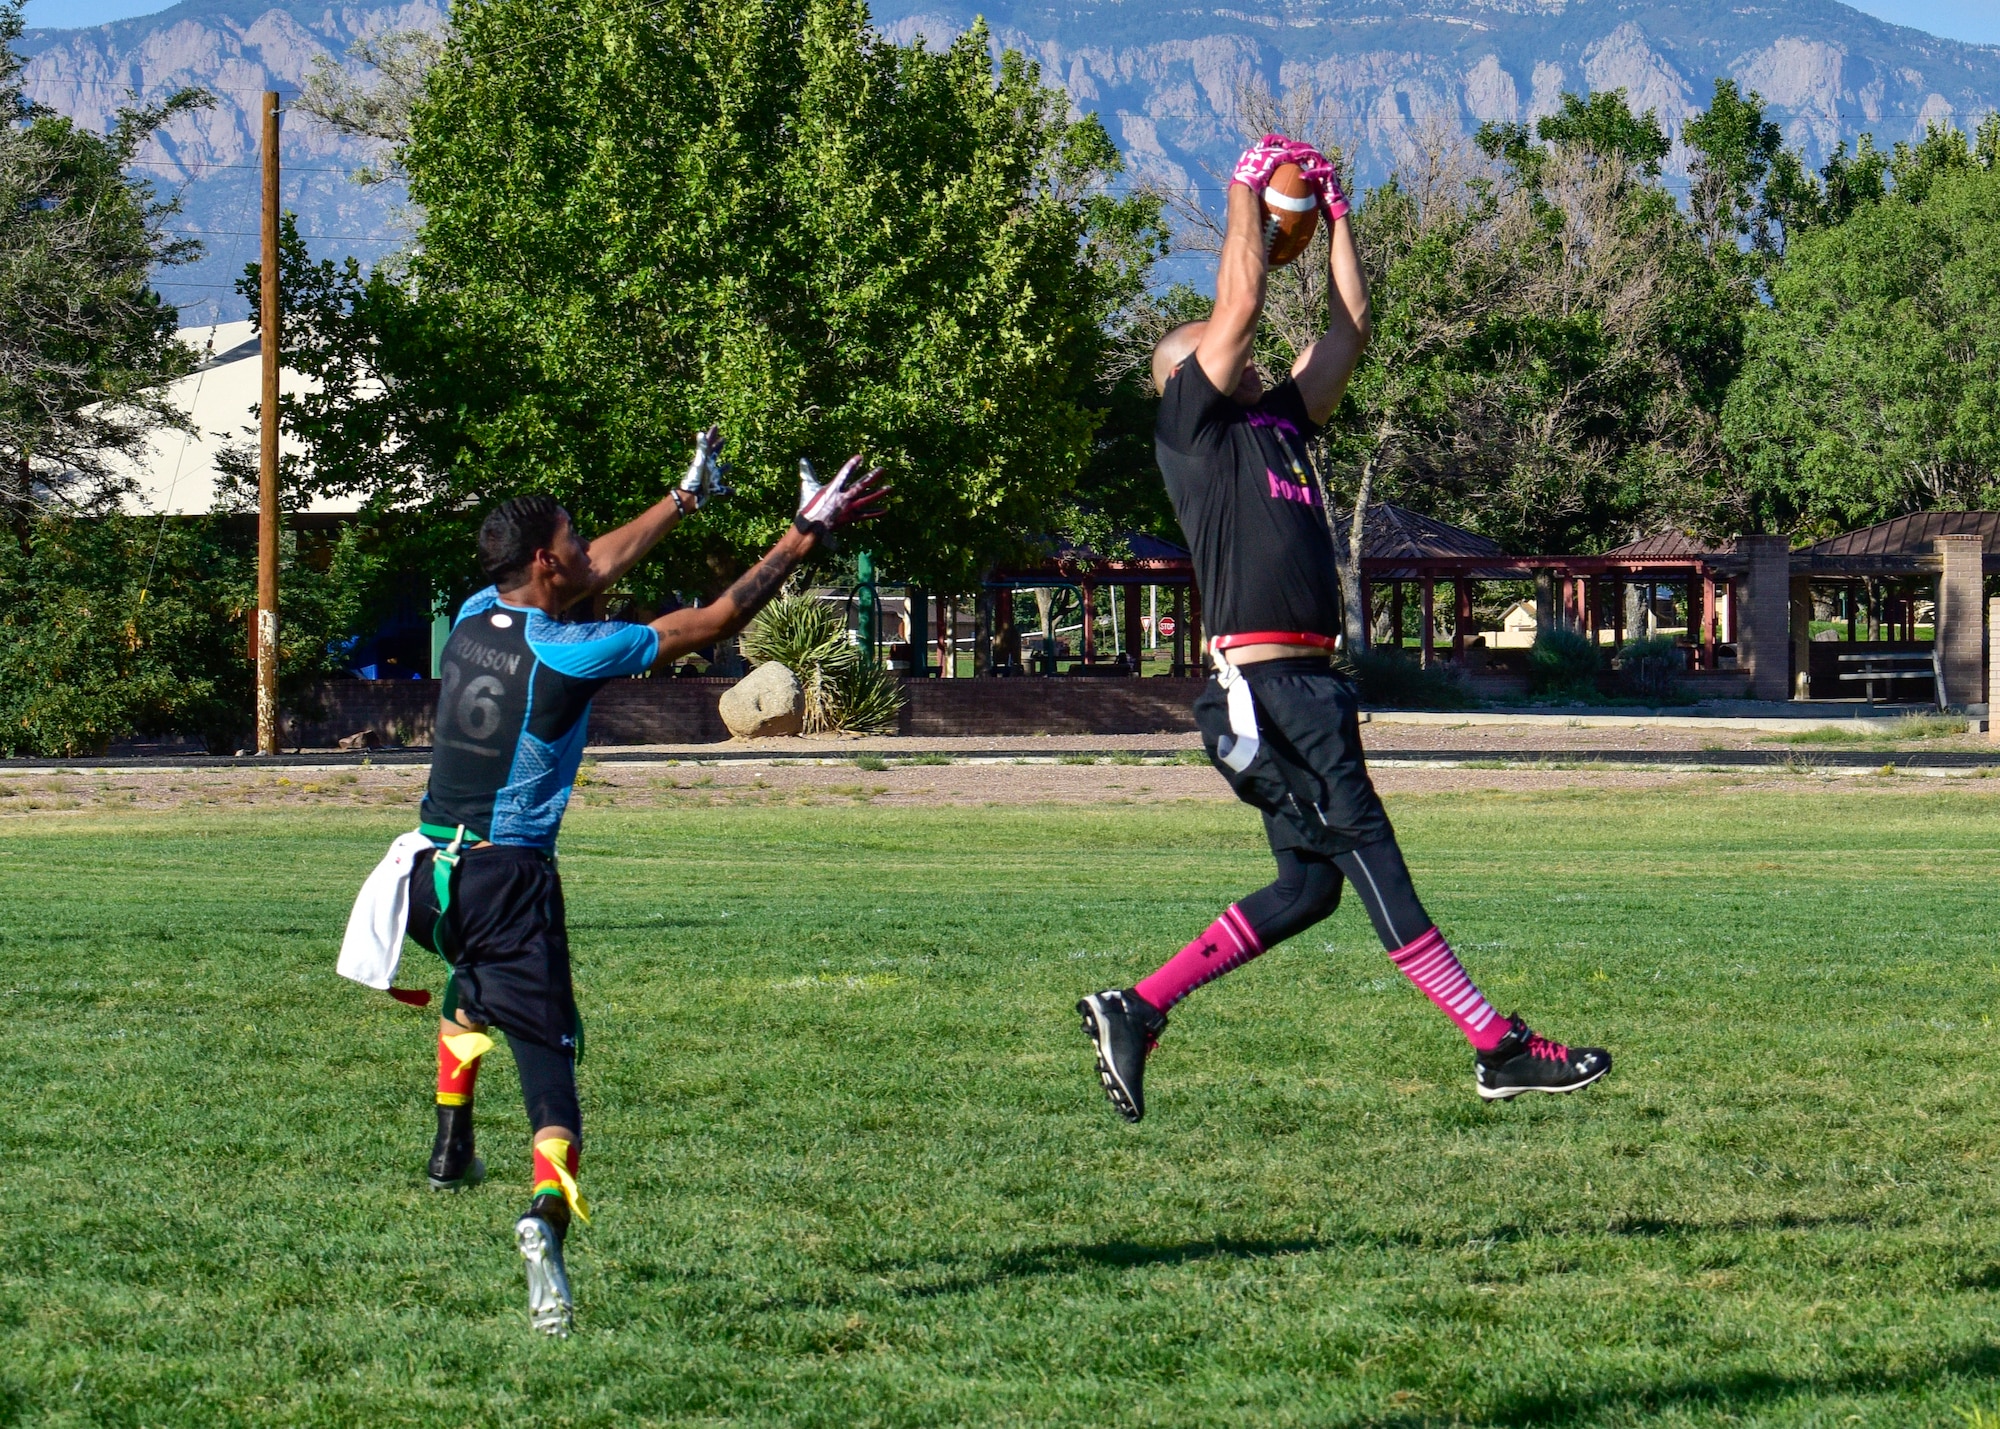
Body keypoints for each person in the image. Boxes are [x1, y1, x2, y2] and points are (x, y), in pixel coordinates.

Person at [1076, 136, 1609, 1122]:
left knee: (1309, 890)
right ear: (1180, 374)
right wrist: (1242, 186)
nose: (1222, 342)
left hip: (1308, 686)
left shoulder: (1276, 423)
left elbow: (1349, 328)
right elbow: (1235, 304)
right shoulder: (1189, 429)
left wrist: (1339, 216)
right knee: (1367, 846)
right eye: (1202, 343)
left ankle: (1136, 1006)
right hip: (1265, 688)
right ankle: (1495, 1044)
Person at [407, 431, 885, 1336]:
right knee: (550, 1065)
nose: (591, 548)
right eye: (575, 538)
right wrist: (802, 535)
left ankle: (449, 1142)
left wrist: (683, 499)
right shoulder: (567, 650)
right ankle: (544, 1219)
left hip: (432, 871)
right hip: (510, 874)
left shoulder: (478, 612)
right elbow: (712, 625)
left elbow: (594, 567)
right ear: (547, 561)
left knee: (474, 988)